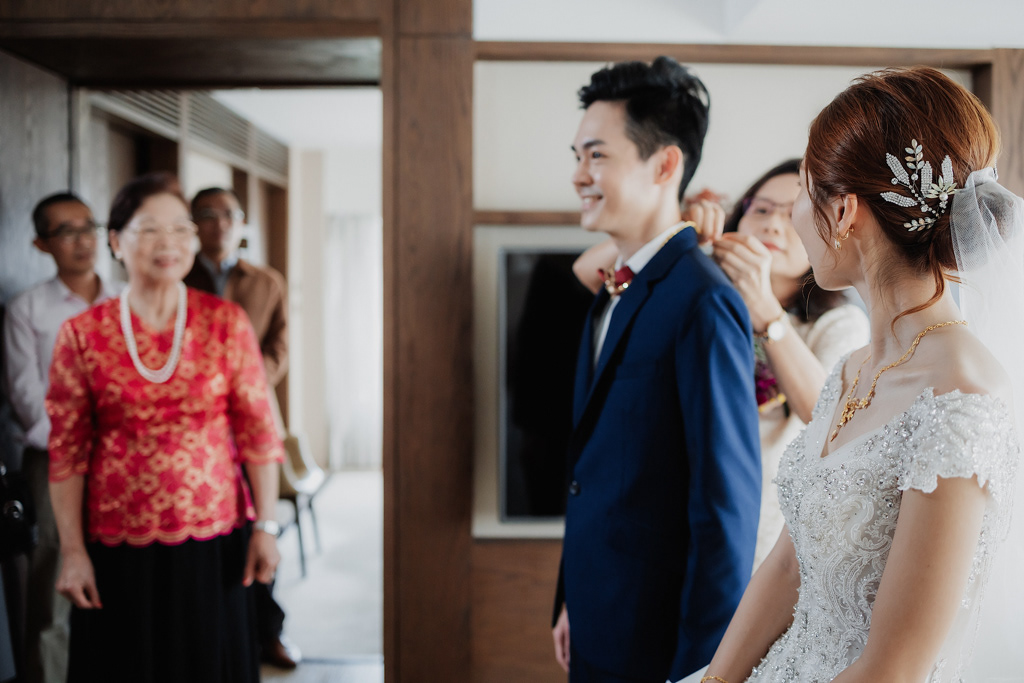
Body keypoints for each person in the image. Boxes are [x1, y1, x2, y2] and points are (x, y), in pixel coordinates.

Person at [690, 66, 1023, 683]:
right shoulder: (850, 370)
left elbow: (893, 668)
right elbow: (789, 565)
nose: (792, 218)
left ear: (843, 211)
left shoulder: (963, 397)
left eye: (800, 191)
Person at [551, 57, 762, 683]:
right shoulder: (611, 291)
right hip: (596, 615)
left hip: (659, 645)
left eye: (597, 156)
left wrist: (700, 671)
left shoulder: (703, 300)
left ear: (665, 164)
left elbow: (725, 512)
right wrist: (571, 598)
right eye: (577, 156)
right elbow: (592, 471)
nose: (579, 175)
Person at [46, 173, 284, 683]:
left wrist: (266, 526)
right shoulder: (82, 334)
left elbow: (259, 433)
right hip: (115, 544)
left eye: (180, 228)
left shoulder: (226, 323)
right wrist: (72, 551)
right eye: (150, 229)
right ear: (116, 241)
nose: (168, 243)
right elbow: (67, 450)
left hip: (214, 539)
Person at [574, 161, 870, 568]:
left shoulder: (838, 323)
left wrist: (766, 310)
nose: (772, 225)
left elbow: (826, 416)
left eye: (792, 213)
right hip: (668, 516)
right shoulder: (699, 294)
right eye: (761, 209)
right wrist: (674, 226)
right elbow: (588, 272)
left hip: (761, 536)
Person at [2, 193, 122, 683]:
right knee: (55, 584)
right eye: (66, 231)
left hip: (126, 465)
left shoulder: (128, 301)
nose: (82, 240)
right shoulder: (26, 309)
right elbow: (27, 397)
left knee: (123, 578)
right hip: (54, 463)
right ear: (41, 243)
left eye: (88, 226)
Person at [183, 186, 299, 669]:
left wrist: (244, 383)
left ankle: (267, 631)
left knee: (261, 524)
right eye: (208, 214)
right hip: (193, 425)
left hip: (252, 418)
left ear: (242, 221)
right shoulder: (179, 277)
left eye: (229, 214)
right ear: (193, 224)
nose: (220, 223)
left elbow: (279, 347)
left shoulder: (266, 282)